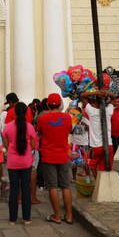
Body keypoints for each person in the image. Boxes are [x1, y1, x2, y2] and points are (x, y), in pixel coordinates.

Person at [36, 94, 74, 224]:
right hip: (63, 154)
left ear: (48, 105)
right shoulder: (67, 117)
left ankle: (57, 215)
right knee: (66, 186)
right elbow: (69, 131)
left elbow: (40, 133)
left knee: (52, 186)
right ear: (60, 104)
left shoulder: (42, 118)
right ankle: (69, 216)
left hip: (48, 154)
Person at [4, 101, 38, 224]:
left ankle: (12, 218)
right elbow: (33, 145)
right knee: (25, 189)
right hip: (26, 162)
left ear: (14, 112)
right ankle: (26, 218)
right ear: (26, 112)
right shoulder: (30, 126)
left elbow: (6, 144)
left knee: (14, 190)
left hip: (12, 162)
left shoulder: (8, 126)